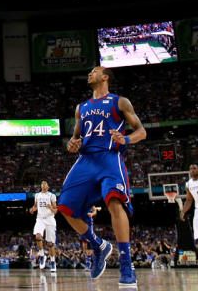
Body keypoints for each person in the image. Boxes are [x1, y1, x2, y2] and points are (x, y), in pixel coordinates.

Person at [56, 65, 146, 288]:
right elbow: (76, 137)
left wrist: (125, 139)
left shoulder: (120, 102)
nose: (90, 74)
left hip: (109, 158)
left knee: (114, 200)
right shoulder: (81, 107)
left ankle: (126, 263)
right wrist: (72, 144)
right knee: (65, 208)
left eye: (94, 71)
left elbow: (141, 131)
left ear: (105, 77)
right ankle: (98, 245)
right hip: (86, 160)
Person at [28, 180, 57, 272]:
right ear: (41, 186)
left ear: (48, 186)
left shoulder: (52, 196)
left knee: (50, 243)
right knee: (38, 236)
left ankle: (53, 262)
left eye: (45, 184)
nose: (43, 185)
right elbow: (36, 206)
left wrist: (50, 208)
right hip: (40, 218)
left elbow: (55, 210)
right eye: (42, 184)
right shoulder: (37, 195)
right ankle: (42, 255)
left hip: (49, 219)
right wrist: (32, 209)